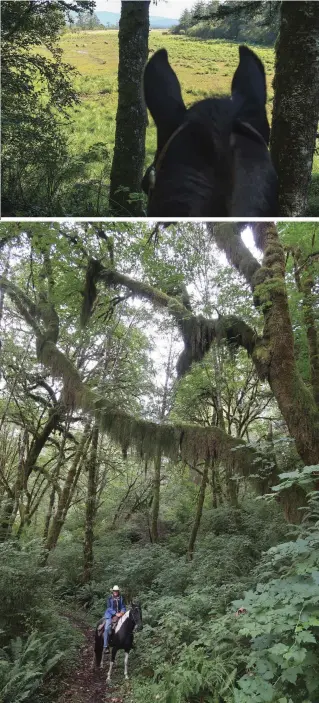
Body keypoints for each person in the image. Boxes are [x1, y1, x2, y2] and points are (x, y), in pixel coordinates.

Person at [103, 585, 126, 651]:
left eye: (116, 591)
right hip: (110, 615)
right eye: (114, 591)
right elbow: (108, 608)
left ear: (118, 591)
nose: (115, 592)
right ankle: (105, 646)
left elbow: (123, 607)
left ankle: (125, 642)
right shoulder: (109, 598)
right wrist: (115, 613)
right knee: (107, 628)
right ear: (112, 591)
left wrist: (122, 612)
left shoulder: (121, 598)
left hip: (119, 614)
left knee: (127, 624)